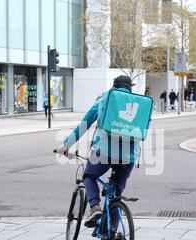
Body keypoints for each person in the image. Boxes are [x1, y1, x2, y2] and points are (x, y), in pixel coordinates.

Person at [56, 76, 140, 228]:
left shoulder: (104, 101)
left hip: (105, 152)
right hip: (130, 156)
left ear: (114, 86)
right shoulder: (138, 104)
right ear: (130, 87)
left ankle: (95, 207)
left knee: (89, 175)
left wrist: (65, 145)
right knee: (116, 195)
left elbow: (83, 126)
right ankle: (113, 233)